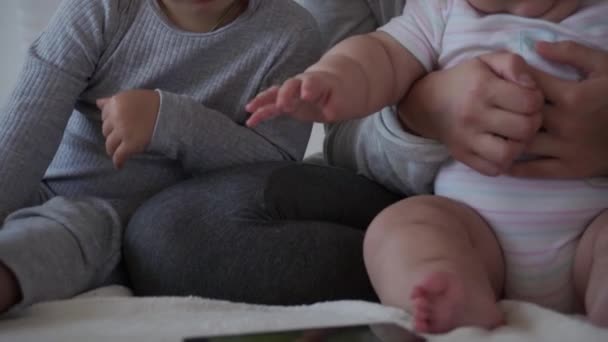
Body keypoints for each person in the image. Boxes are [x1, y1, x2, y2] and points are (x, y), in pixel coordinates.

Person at [123, 0, 608, 316]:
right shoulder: (442, 11)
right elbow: (377, 56)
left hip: (592, 223)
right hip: (468, 222)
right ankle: (445, 291)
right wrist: (333, 82)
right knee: (404, 229)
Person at [0, 0, 322, 314]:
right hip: (47, 189)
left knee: (57, 238)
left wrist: (170, 122)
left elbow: (276, 167)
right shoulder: (101, 9)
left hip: (131, 221)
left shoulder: (290, 32)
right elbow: (25, 129)